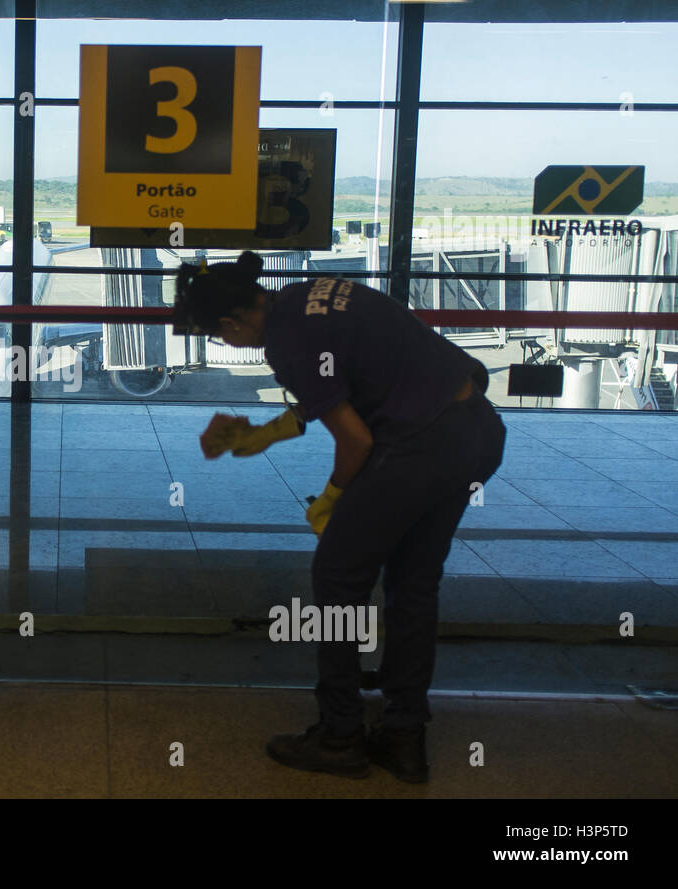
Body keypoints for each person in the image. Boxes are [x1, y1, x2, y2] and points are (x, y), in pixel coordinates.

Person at [179, 251, 506, 783]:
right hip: (475, 432)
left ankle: (340, 735)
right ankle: (404, 736)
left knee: (337, 577)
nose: (226, 345)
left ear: (231, 323)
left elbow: (356, 440)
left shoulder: (287, 342)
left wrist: (331, 500)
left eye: (219, 337)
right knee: (414, 584)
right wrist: (266, 433)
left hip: (418, 446)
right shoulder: (309, 295)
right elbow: (341, 376)